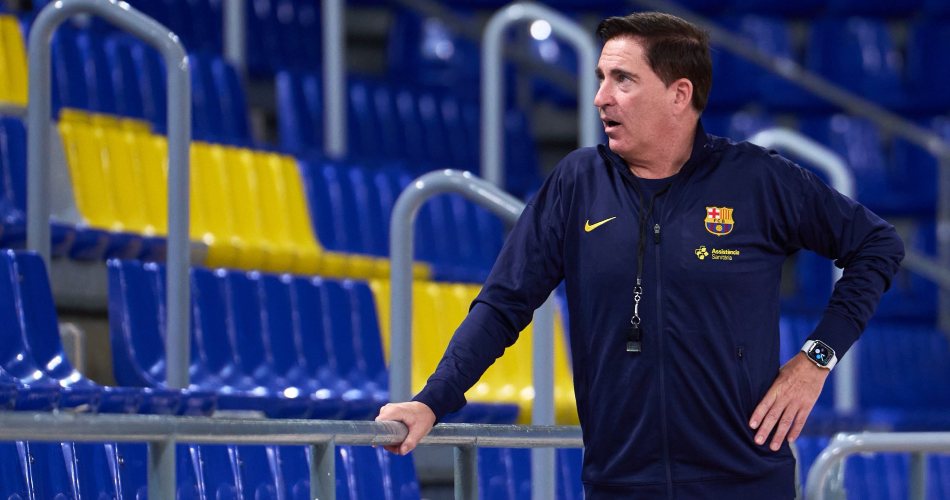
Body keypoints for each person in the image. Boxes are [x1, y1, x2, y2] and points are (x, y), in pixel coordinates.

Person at [377, 11, 905, 499]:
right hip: (621, 482)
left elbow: (878, 245)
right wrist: (432, 399)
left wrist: (815, 361)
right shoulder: (577, 183)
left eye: (622, 80)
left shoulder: (757, 180)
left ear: (679, 94)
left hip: (745, 482)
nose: (600, 97)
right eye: (601, 78)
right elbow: (502, 304)